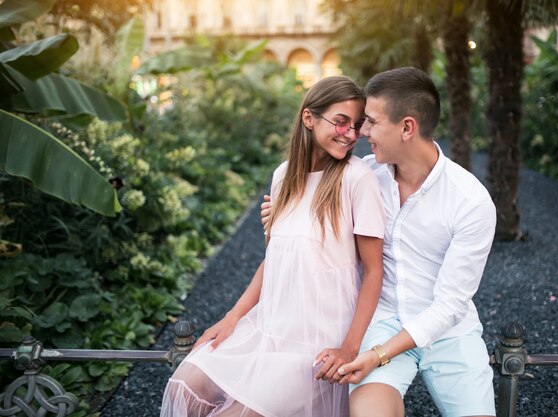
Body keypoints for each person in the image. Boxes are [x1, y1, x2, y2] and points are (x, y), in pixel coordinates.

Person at [262, 67, 497, 417]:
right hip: (381, 320)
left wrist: (379, 354)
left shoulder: (471, 202)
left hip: (450, 334)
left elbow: (450, 305)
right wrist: (280, 218)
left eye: (370, 122)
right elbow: (310, 217)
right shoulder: (362, 175)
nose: (361, 133)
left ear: (407, 127)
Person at [160, 76, 385, 417]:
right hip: (269, 326)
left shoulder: (356, 178)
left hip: (317, 338)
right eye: (341, 122)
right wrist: (232, 317)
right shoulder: (283, 176)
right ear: (309, 118)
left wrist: (349, 347)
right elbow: (276, 260)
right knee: (184, 387)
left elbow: (373, 271)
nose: (351, 135)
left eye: (356, 126)